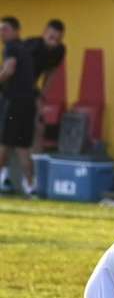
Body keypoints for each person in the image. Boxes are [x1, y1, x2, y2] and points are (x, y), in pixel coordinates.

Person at [0, 16, 38, 196]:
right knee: (23, 147)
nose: (1, 33)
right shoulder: (24, 49)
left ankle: (2, 179)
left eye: (5, 29)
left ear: (16, 31)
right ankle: (31, 187)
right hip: (28, 102)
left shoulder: (11, 47)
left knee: (4, 143)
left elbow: (8, 70)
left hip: (14, 102)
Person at [24, 19, 66, 151]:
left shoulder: (60, 50)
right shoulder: (32, 45)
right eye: (51, 37)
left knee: (39, 125)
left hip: (31, 87)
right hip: (14, 86)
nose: (54, 42)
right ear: (44, 33)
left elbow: (51, 73)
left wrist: (42, 95)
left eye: (57, 39)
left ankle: (36, 159)